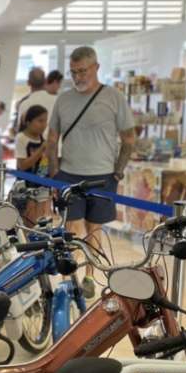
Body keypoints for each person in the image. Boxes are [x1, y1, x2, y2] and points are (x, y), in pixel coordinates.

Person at [47, 46, 136, 299]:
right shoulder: (64, 99)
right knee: (72, 228)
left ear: (96, 67)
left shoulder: (114, 97)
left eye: (83, 71)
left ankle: (88, 275)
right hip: (69, 174)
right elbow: (52, 138)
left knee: (95, 228)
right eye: (73, 72)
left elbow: (128, 138)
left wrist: (118, 171)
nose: (78, 77)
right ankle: (68, 278)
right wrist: (54, 172)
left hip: (102, 175)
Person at [15, 105, 51, 221]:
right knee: (28, 221)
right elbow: (22, 165)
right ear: (29, 122)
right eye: (40, 121)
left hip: (42, 186)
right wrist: (41, 150)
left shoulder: (43, 139)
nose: (44, 125)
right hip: (26, 187)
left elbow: (45, 165)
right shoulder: (21, 138)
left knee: (41, 221)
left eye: (45, 121)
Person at [13, 67, 56, 136]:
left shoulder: (24, 104)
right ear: (45, 81)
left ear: (28, 83)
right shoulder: (57, 100)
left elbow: (21, 131)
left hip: (35, 145)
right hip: (56, 144)